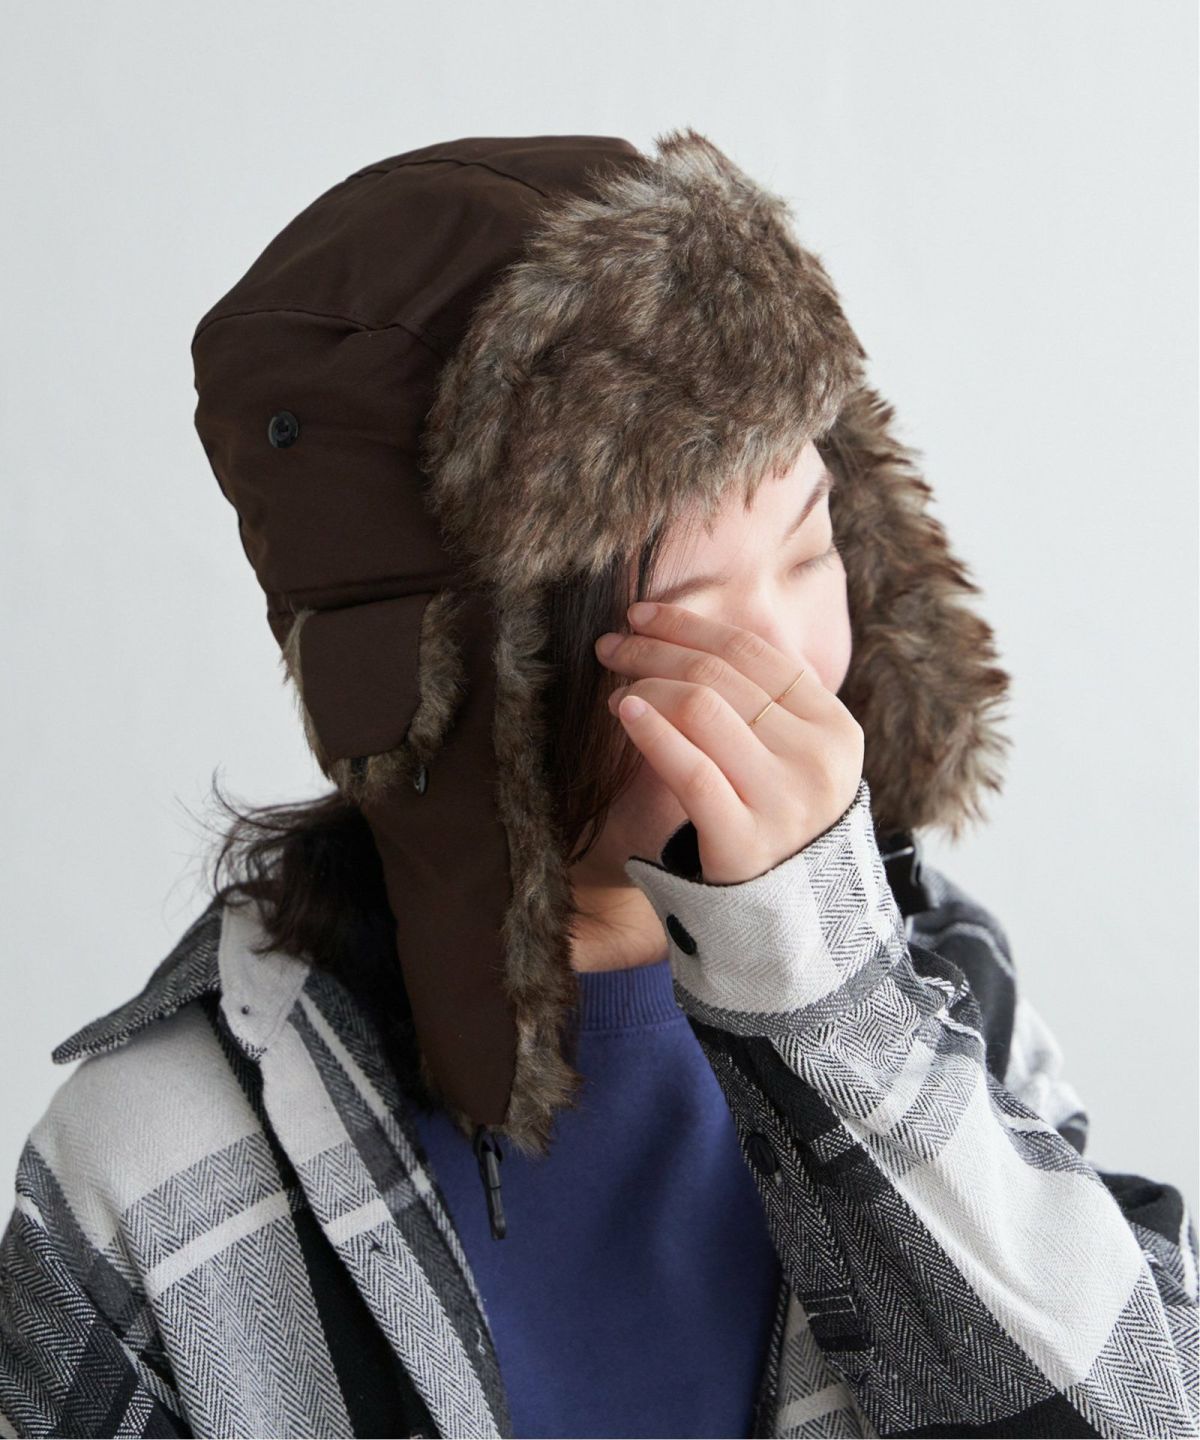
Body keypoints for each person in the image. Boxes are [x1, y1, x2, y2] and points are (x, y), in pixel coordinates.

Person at [0, 130, 1195, 1440]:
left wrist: (842, 1014)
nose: (793, 675)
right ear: (466, 703)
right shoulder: (155, 1157)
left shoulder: (938, 986)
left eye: (810, 558)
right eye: (686, 611)